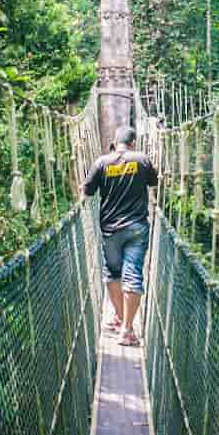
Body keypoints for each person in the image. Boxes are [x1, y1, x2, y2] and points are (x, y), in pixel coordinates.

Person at [83, 124, 158, 347]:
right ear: (133, 143)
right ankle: (126, 329)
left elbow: (87, 191)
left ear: (115, 143)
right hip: (136, 227)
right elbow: (154, 182)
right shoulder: (142, 159)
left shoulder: (102, 162)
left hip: (110, 229)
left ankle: (119, 318)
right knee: (133, 275)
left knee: (112, 273)